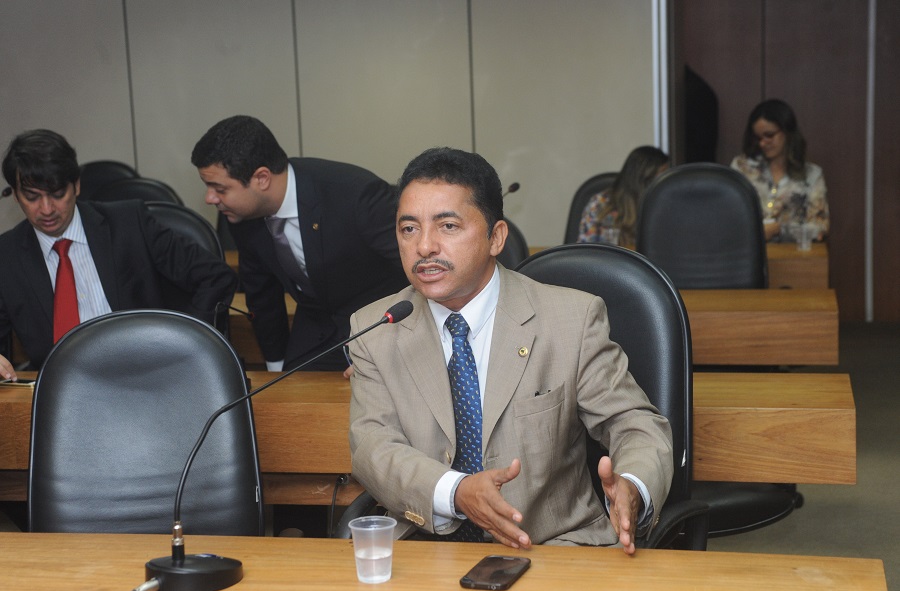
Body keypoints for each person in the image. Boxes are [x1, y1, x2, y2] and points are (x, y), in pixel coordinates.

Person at [348, 147, 673, 552]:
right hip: (425, 551)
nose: (425, 246)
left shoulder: (571, 320)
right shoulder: (375, 329)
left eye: (447, 226)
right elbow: (373, 447)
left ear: (496, 237)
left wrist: (634, 486)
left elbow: (634, 423)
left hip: (554, 549)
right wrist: (456, 492)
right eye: (409, 229)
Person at [0, 129, 238, 381]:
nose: (47, 209)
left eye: (58, 194)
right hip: (61, 389)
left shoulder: (130, 223)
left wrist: (185, 346)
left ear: (76, 185)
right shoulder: (6, 255)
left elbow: (215, 277)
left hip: (150, 377)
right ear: (15, 195)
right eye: (32, 197)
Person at [191, 116, 408, 373]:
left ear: (262, 178)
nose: (210, 198)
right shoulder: (241, 216)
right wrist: (275, 367)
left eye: (219, 189)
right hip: (317, 326)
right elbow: (262, 296)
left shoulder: (355, 194)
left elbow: (418, 267)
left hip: (383, 321)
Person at [730, 99, 829, 242]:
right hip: (747, 252)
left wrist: (778, 229)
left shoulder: (811, 175)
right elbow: (729, 218)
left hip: (793, 253)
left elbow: (820, 227)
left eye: (769, 135)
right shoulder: (742, 168)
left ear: (787, 132)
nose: (762, 143)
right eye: (758, 138)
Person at [577, 146, 669, 247]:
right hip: (609, 257)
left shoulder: (664, 206)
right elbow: (586, 252)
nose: (665, 182)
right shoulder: (600, 205)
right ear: (644, 179)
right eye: (662, 175)